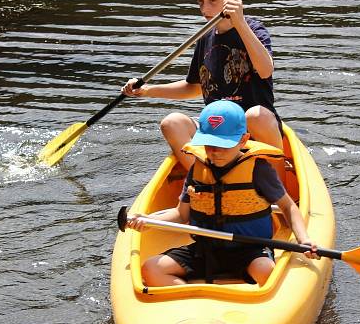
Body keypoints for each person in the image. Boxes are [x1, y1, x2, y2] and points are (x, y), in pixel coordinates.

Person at [124, 100, 317, 287]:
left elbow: (287, 206)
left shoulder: (259, 170)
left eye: (223, 145)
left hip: (249, 251)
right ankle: (195, 298)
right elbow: (181, 214)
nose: (215, 152)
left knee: (267, 272)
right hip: (205, 250)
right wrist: (148, 221)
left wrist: (303, 239)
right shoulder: (198, 169)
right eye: (209, 144)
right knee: (151, 269)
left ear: (243, 140)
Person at [122, 0, 282, 170]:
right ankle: (206, 181)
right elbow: (195, 87)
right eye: (200, 1)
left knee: (256, 116)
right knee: (172, 123)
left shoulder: (253, 30)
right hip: (217, 128)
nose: (204, 9)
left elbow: (265, 69)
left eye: (212, 1)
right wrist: (147, 91)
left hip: (251, 127)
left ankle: (277, 185)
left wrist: (239, 23)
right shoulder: (205, 37)